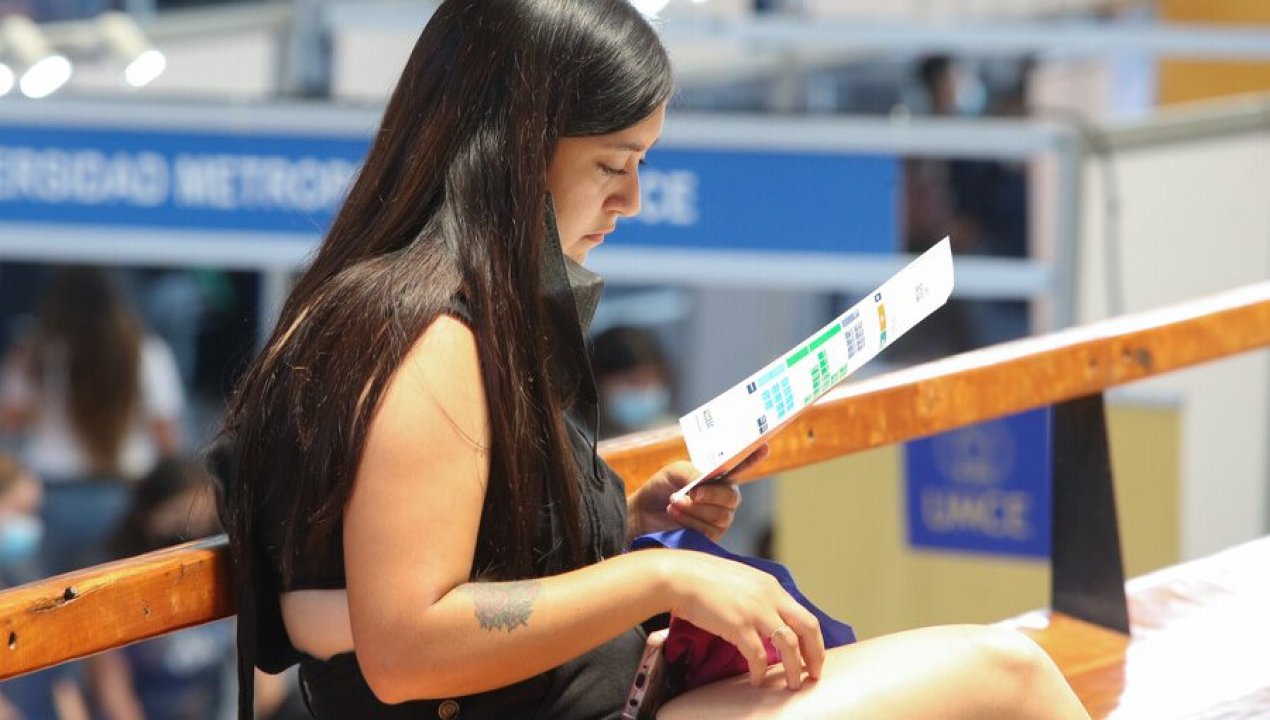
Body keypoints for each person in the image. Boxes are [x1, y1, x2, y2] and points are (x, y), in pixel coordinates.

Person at [211, 2, 1090, 718]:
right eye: (613, 164)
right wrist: (659, 573)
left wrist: (621, 525)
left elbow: (434, 578)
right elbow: (408, 645)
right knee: (1007, 676)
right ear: (516, 151)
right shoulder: (433, 340)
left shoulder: (438, 314)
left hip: (623, 690)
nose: (631, 198)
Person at [0, 265, 185, 576]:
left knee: (48, 593)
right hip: (124, 495)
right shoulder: (145, 352)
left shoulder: (35, 352)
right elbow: (166, 435)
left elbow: (10, 421)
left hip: (54, 497)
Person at [591, 325, 677, 439]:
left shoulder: (678, 434)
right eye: (631, 382)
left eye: (647, 380)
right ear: (598, 384)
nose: (641, 390)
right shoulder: (584, 443)